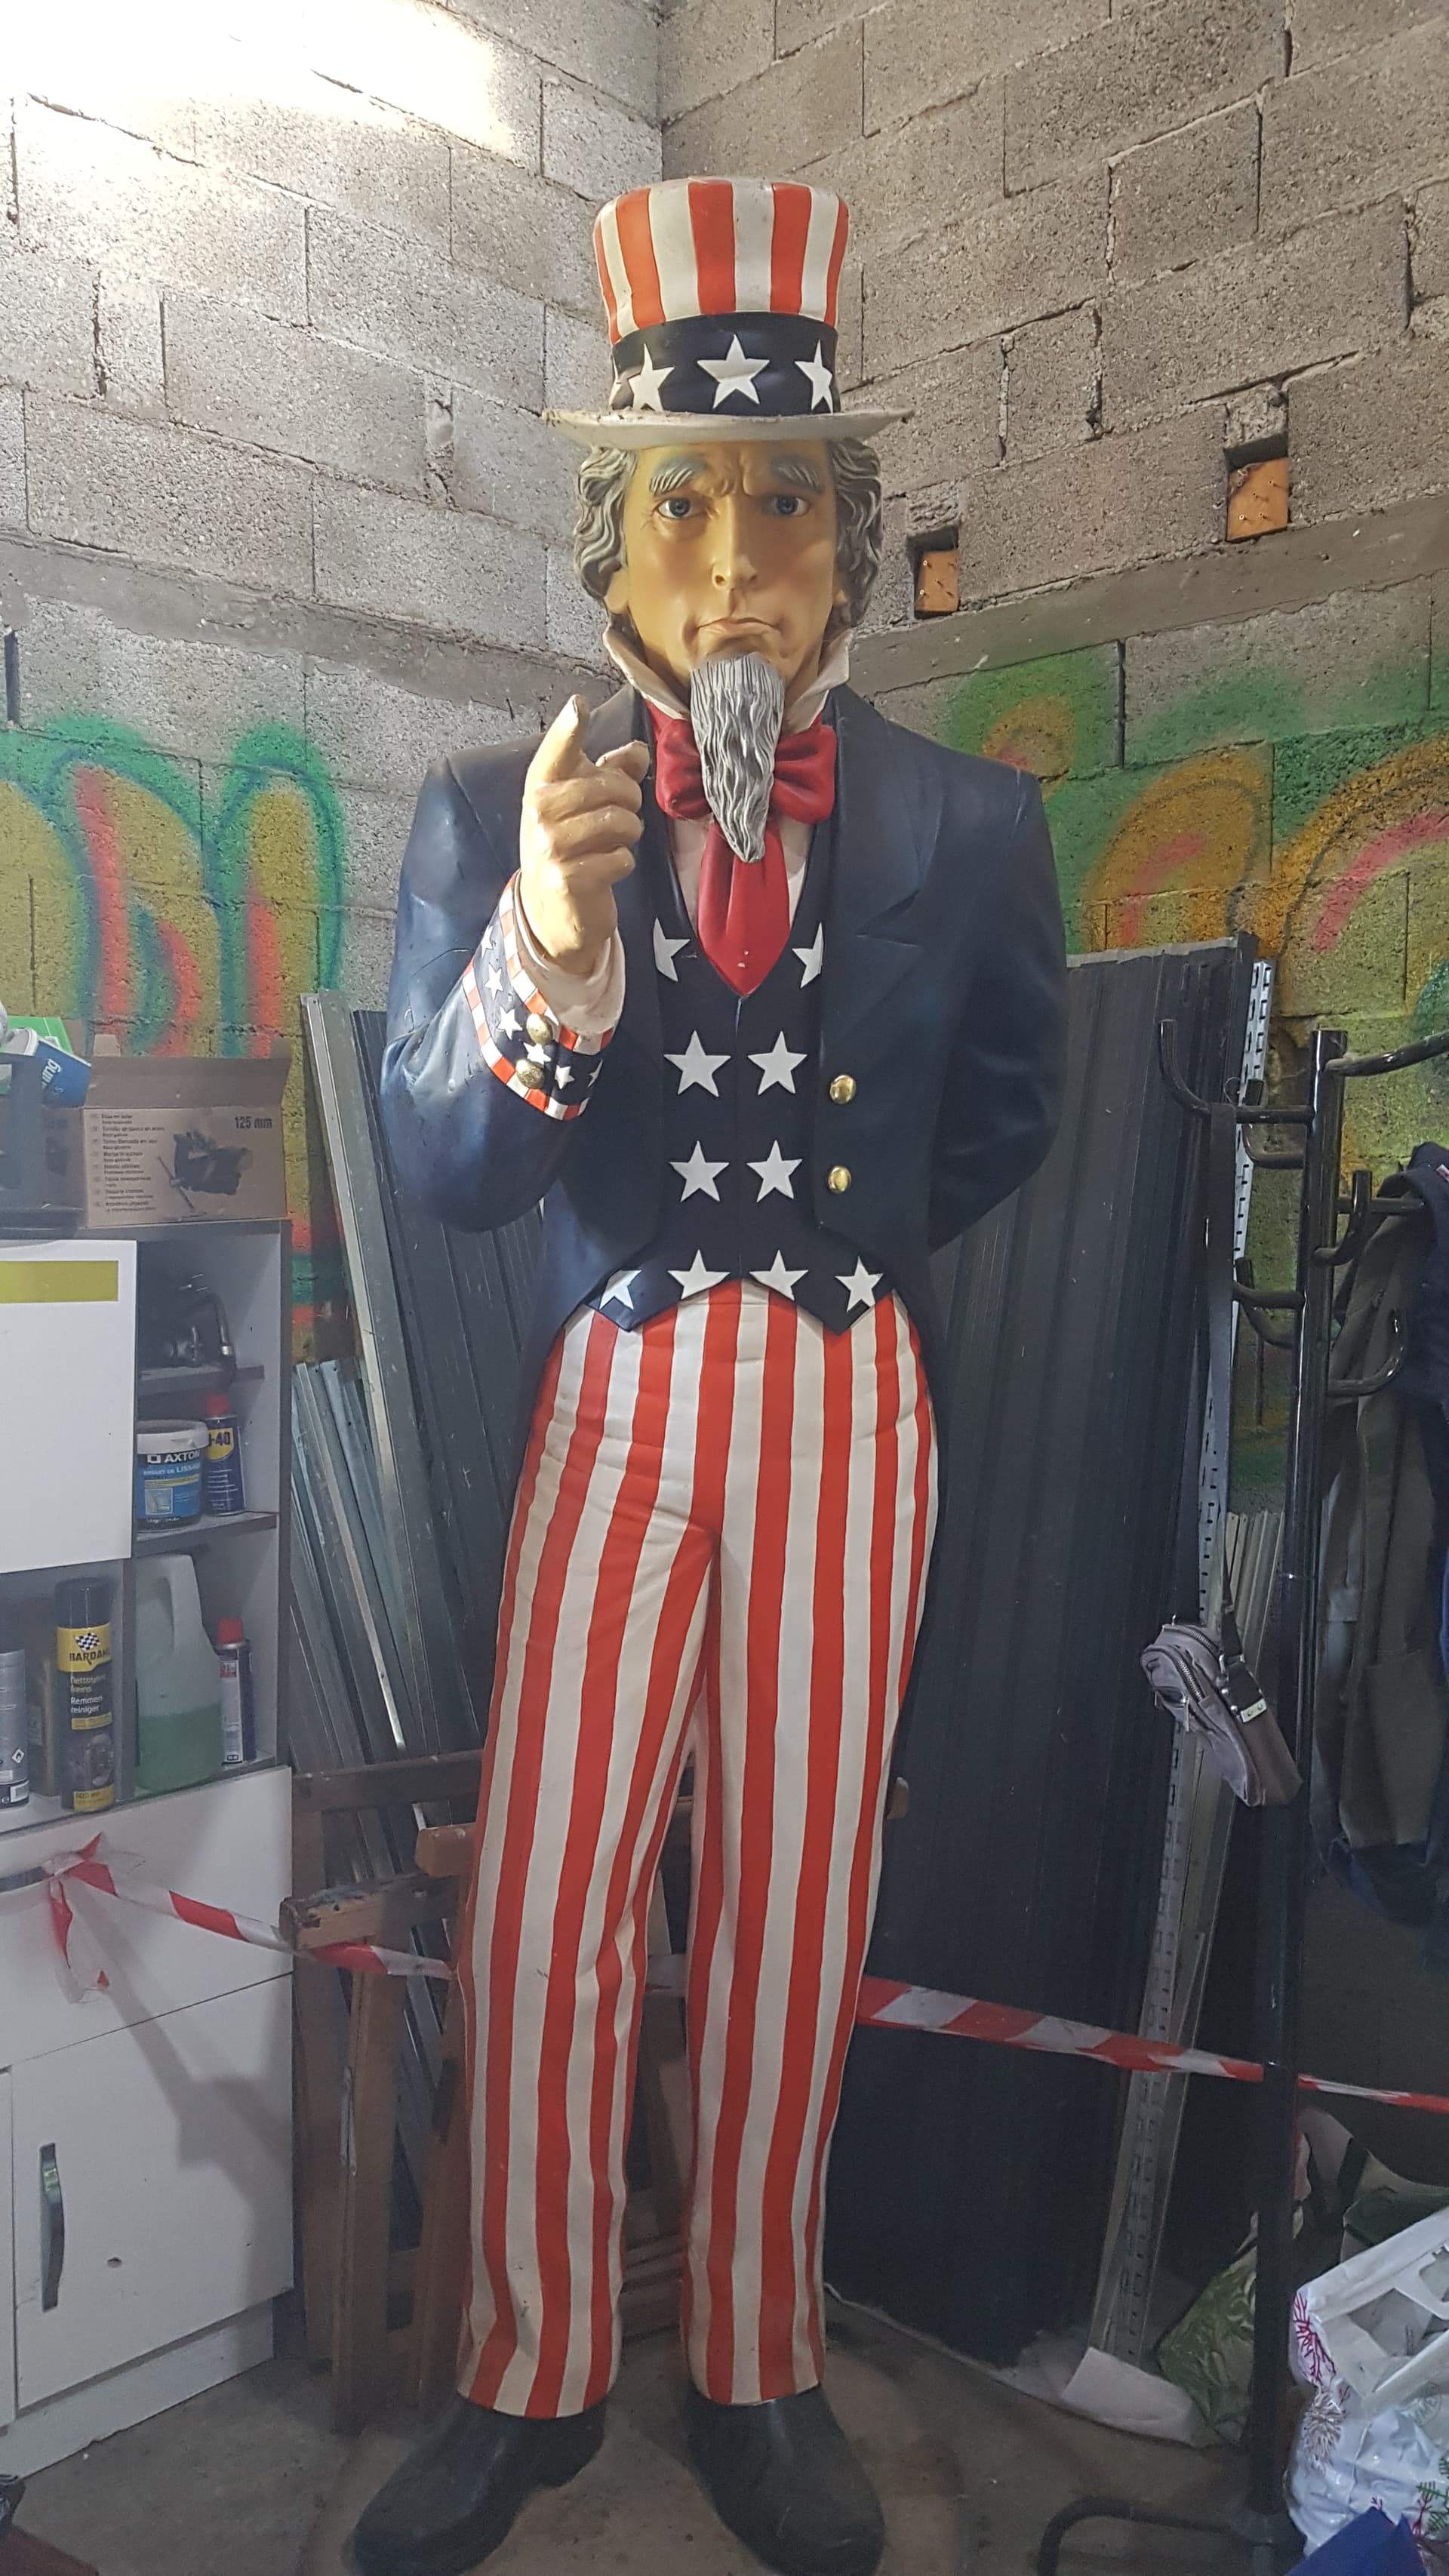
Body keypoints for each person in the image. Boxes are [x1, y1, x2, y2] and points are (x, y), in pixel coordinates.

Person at [355, 177, 1068, 2576]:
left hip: (853, 1413)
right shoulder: (492, 815)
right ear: (613, 549)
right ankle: (532, 2372)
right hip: (618, 1404)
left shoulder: (977, 826)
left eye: (783, 507)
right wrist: (551, 952)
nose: (737, 566)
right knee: (550, 1899)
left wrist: (835, 1262)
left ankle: (759, 2364)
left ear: (851, 538)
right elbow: (445, 1172)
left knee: (793, 1915)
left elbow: (1005, 1118)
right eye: (685, 506)